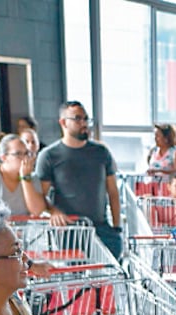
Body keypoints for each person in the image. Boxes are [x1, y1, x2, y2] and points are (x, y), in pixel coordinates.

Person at [34, 101, 123, 259]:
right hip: (69, 231)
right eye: (77, 119)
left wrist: (116, 228)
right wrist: (53, 211)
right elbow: (40, 195)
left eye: (86, 119)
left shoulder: (101, 152)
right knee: (76, 279)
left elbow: (113, 192)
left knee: (109, 278)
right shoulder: (49, 156)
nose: (84, 123)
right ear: (63, 123)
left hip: (102, 229)